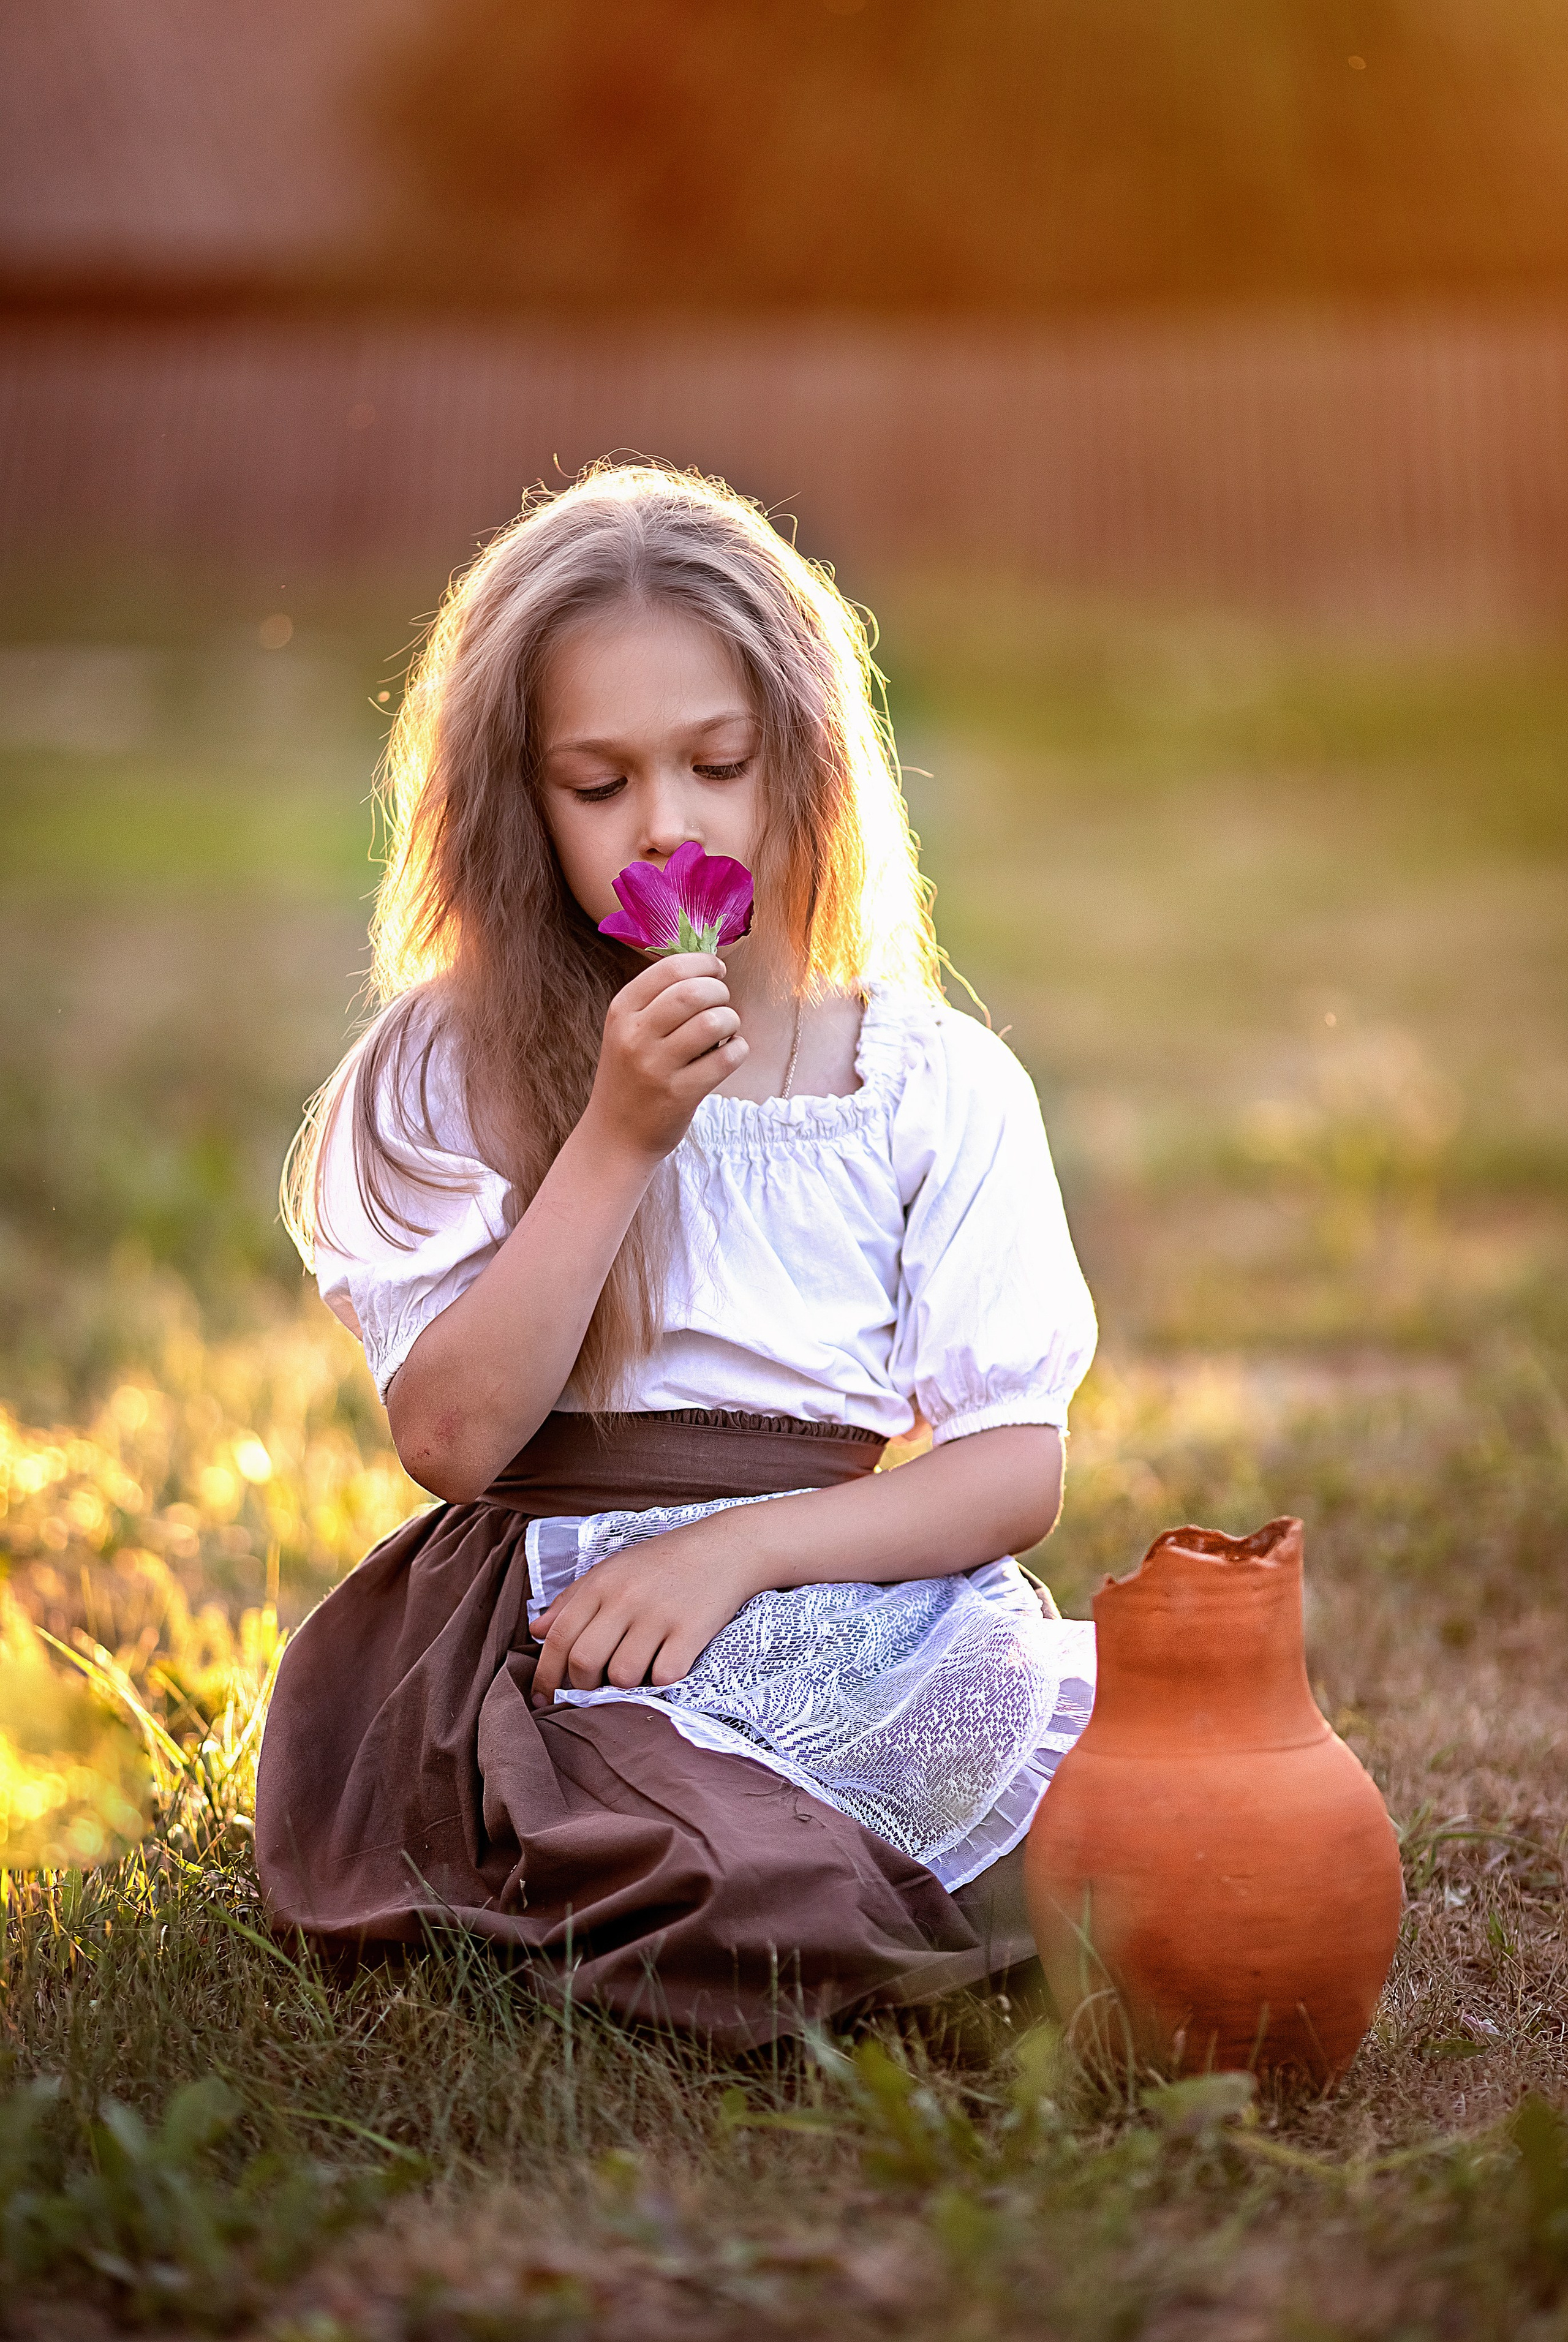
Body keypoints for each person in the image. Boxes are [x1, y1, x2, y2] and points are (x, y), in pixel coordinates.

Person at [257, 463, 1098, 2049]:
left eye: (718, 764)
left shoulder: (932, 1083)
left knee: (1136, 1783)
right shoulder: (452, 1061)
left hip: (837, 1590)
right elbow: (451, 1437)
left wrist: (741, 1553)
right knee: (740, 1873)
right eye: (600, 785)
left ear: (805, 761)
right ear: (519, 804)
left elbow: (1013, 1469)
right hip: (567, 1627)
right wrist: (619, 1135)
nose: (668, 823)